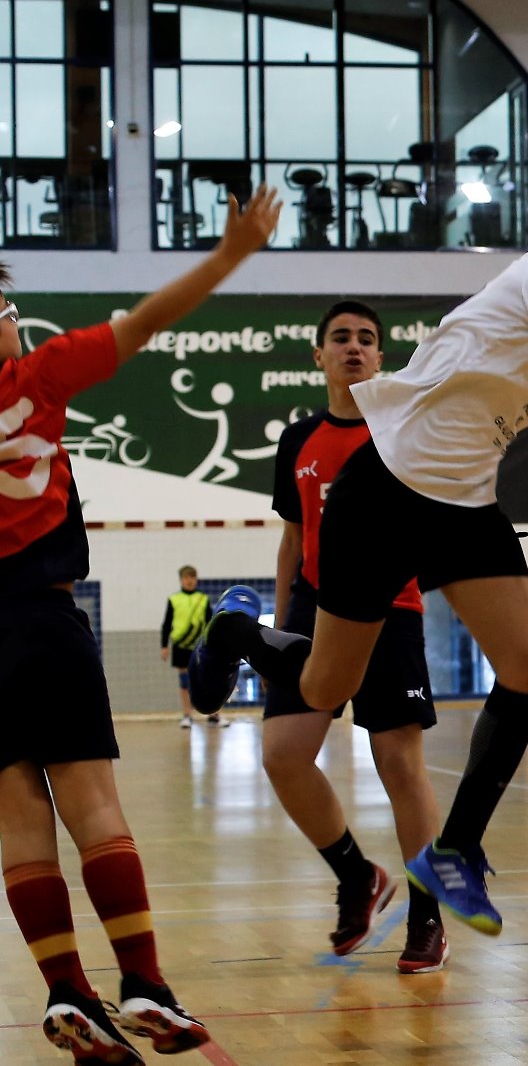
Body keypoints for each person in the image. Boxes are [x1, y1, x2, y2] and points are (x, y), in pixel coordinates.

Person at [187, 146, 528, 939]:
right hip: (382, 492)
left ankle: (454, 848)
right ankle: (235, 631)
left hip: (461, 502)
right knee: (321, 686)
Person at [0, 185, 280, 1064]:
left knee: (19, 825)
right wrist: (230, 254)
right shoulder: (35, 379)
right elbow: (147, 321)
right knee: (94, 808)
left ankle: (65, 991)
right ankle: (144, 982)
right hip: (43, 621)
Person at [264, 300, 447, 972]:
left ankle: (427, 915)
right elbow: (292, 538)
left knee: (399, 763)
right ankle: (355, 874)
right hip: (313, 610)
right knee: (282, 754)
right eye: (340, 337)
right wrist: (282, 623)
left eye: (366, 339)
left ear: (380, 357)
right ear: (319, 355)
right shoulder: (298, 439)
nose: (353, 347)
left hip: (390, 605)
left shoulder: (402, 430)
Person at [160, 565, 222, 728]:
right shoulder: (174, 599)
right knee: (184, 681)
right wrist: (164, 645)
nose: (189, 580)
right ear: (181, 580)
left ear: (196, 579)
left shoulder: (203, 599)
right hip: (180, 645)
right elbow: (167, 623)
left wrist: (213, 644)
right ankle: (187, 715)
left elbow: (210, 623)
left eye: (192, 577)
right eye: (186, 577)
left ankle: (213, 714)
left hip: (200, 646)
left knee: (207, 680)